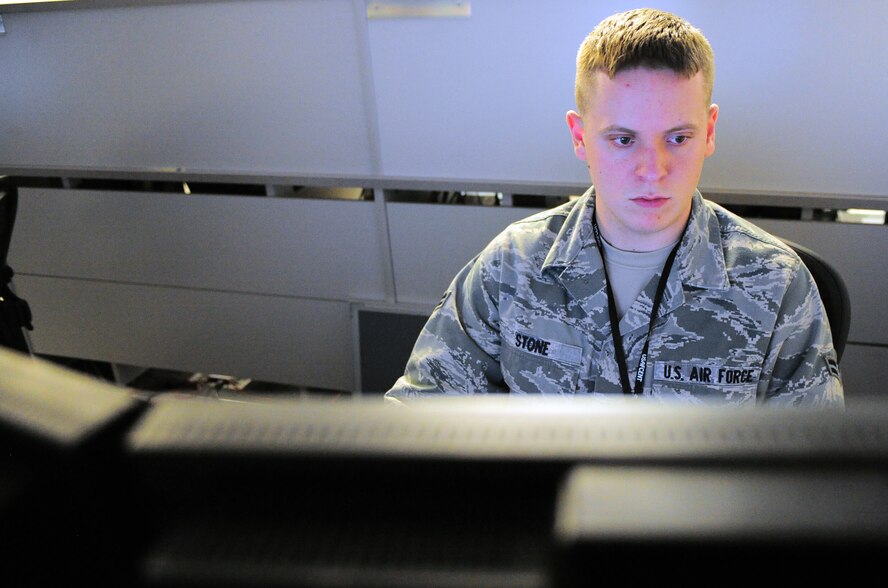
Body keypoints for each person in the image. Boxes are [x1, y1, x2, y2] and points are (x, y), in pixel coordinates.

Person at [386, 8, 843, 407]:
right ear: (580, 136)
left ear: (709, 131)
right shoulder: (513, 267)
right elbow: (420, 415)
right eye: (624, 140)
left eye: (678, 138)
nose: (652, 169)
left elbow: (813, 476)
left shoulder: (777, 283)